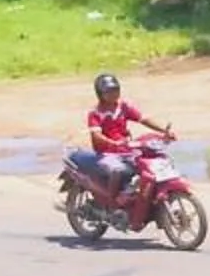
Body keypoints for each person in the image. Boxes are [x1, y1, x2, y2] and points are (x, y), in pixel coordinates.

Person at [69, 72, 171, 201]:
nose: (114, 94)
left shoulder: (124, 106)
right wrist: (112, 143)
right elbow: (96, 135)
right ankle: (112, 202)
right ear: (100, 94)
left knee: (148, 163)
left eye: (116, 90)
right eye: (108, 91)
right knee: (117, 170)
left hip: (125, 150)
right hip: (106, 153)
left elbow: (143, 119)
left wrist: (164, 131)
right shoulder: (95, 113)